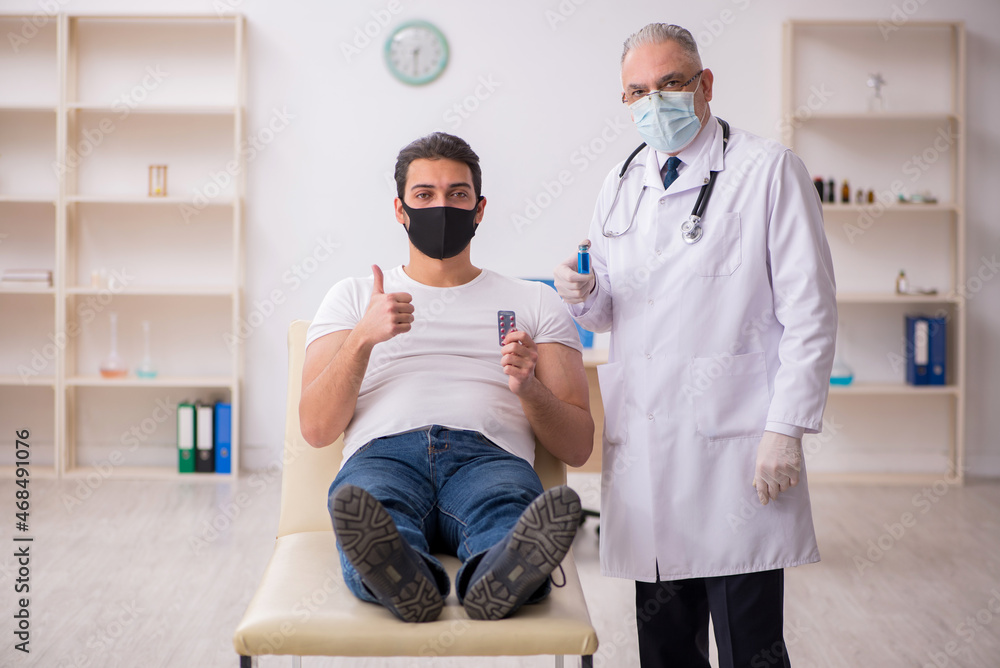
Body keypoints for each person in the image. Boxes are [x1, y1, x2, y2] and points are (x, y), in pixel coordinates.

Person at [552, 23, 837, 667]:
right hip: (648, 448)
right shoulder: (621, 181)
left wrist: (786, 429)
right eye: (637, 91)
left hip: (735, 449)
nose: (653, 102)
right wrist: (585, 293)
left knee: (750, 647)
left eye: (670, 83)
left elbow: (811, 313)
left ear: (705, 84)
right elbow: (611, 314)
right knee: (665, 648)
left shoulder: (768, 171)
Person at [300, 132, 593, 623]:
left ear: (479, 209)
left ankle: (498, 575)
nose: (442, 206)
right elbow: (315, 428)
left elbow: (579, 446)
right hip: (382, 454)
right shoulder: (353, 297)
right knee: (375, 510)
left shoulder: (536, 301)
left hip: (490, 455)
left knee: (505, 513)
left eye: (457, 194)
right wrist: (362, 339)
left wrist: (529, 388)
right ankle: (406, 576)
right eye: (425, 195)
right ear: (400, 209)